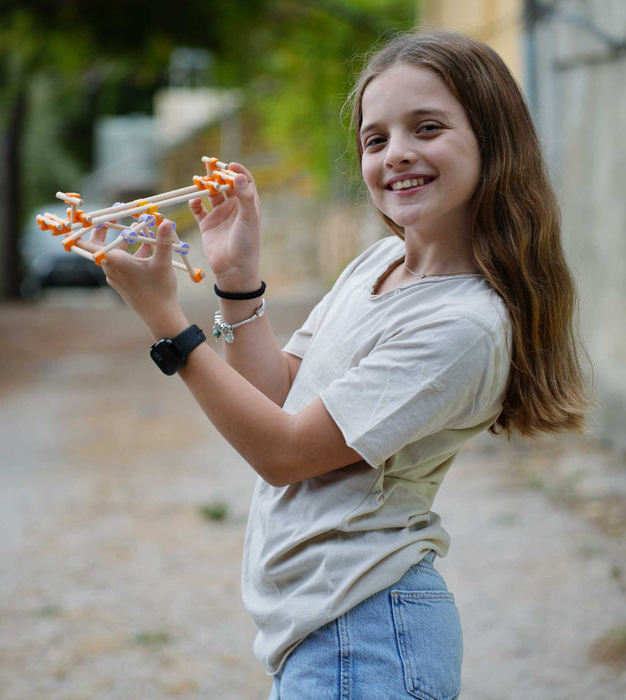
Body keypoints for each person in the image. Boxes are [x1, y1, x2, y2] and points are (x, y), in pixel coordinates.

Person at [81, 29, 590, 700]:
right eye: (376, 139)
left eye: (427, 127)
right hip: (330, 633)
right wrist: (236, 280)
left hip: (369, 639)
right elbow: (284, 398)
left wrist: (168, 324)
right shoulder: (378, 263)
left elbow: (284, 453)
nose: (397, 154)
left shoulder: (462, 325)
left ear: (493, 139)